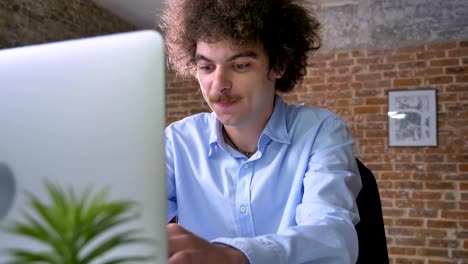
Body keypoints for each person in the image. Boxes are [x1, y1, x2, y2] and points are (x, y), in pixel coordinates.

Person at [160, 0, 362, 263]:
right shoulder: (178, 141)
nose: (218, 84)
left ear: (279, 64)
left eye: (241, 65)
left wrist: (233, 257)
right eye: (207, 67)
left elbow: (331, 236)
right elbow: (130, 221)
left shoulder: (321, 132)